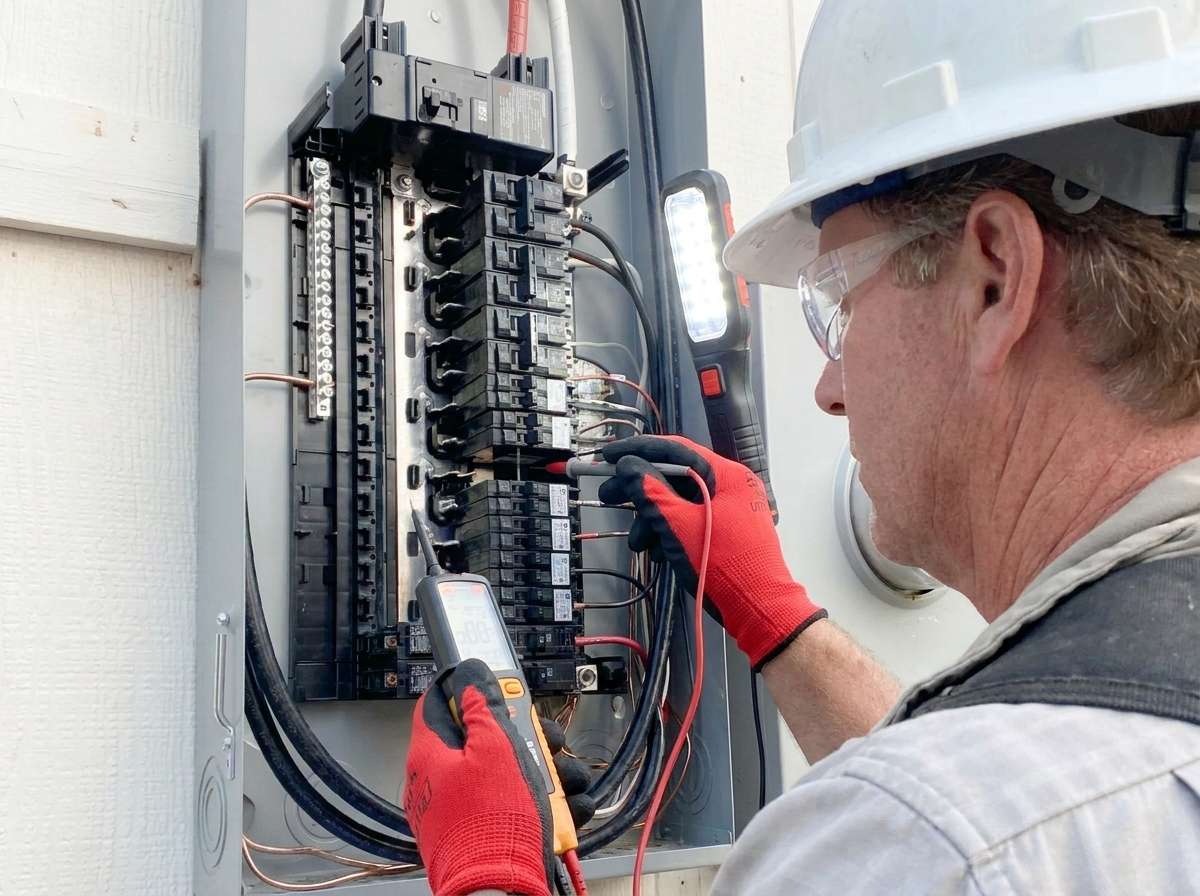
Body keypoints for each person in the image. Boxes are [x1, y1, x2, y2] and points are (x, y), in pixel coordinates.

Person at [403, 1, 1200, 892]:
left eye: (840, 304)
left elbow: (940, 822)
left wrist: (496, 878)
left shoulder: (924, 843)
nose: (828, 390)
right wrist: (775, 616)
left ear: (993, 279)